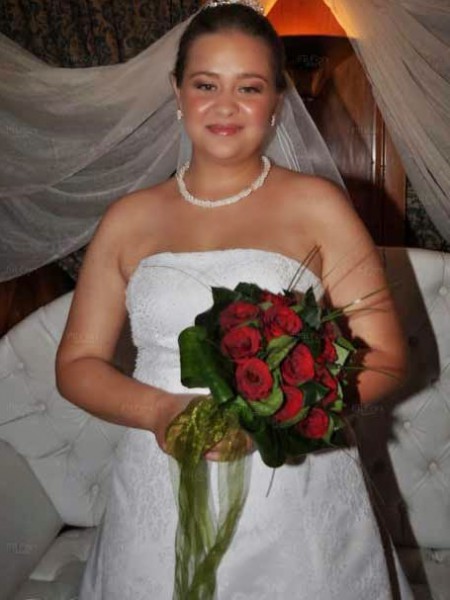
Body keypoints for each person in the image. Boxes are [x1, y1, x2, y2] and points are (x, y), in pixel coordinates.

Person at [56, 1, 414, 598]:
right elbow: (77, 362)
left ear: (276, 100)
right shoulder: (127, 219)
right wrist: (158, 412)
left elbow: (385, 356)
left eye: (249, 87)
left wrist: (275, 416)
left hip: (294, 483)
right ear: (177, 92)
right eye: (206, 85)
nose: (225, 106)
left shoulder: (318, 205)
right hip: (158, 473)